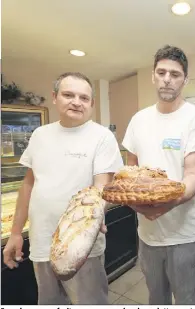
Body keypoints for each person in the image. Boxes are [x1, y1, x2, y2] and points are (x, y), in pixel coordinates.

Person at [3, 72, 124, 305]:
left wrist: (97, 215)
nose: (76, 102)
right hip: (41, 240)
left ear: (92, 103)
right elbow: (29, 184)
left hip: (81, 246)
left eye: (84, 97)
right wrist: (16, 232)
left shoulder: (101, 136)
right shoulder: (40, 135)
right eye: (69, 95)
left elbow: (102, 187)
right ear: (55, 97)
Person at [122, 45, 195, 305]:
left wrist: (166, 204)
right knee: (156, 298)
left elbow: (193, 175)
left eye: (175, 74)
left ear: (185, 79)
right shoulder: (139, 119)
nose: (167, 79)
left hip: (185, 233)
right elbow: (131, 173)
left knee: (187, 299)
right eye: (161, 72)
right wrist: (135, 203)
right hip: (147, 234)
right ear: (153, 76)